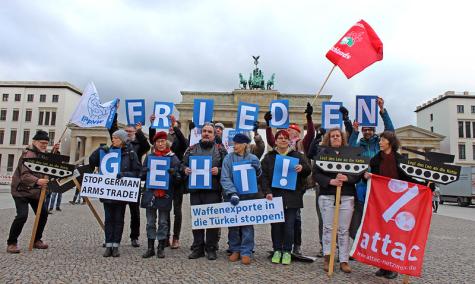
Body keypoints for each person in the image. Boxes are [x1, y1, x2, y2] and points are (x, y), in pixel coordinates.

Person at [364, 131, 420, 279]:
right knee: (382, 232)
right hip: (381, 201)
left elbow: (408, 179)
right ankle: (383, 265)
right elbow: (373, 180)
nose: (380, 142)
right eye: (380, 140)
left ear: (390, 142)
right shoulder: (375, 160)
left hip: (397, 202)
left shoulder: (400, 160)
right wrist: (366, 177)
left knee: (394, 234)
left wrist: (425, 186)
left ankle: (392, 267)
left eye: (382, 140)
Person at [264, 103, 315, 256]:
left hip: (295, 189)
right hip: (278, 190)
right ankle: (278, 248)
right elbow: (272, 140)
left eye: (293, 131)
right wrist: (268, 125)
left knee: (293, 221)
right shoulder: (272, 154)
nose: (290, 133)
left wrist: (309, 118)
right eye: (288, 131)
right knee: (278, 224)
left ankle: (293, 247)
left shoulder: (300, 146)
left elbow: (311, 135)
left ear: (297, 133)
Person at [313, 127, 360, 273]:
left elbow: (358, 172)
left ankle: (344, 260)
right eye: (332, 136)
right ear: (329, 138)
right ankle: (328, 257)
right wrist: (330, 181)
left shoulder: (350, 154)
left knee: (343, 230)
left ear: (342, 138)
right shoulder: (322, 154)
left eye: (338, 135)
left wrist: (348, 178)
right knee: (328, 228)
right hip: (328, 195)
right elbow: (316, 174)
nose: (335, 138)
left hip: (346, 195)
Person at [261, 130, 311, 265]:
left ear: (289, 141)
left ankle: (287, 251)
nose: (282, 140)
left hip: (292, 197)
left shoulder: (297, 155)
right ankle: (277, 249)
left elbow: (308, 169)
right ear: (275, 141)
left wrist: (302, 168)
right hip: (275, 196)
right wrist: (267, 192)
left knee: (289, 226)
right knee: (276, 226)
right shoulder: (268, 157)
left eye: (285, 138)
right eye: (280, 138)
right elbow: (264, 177)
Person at [89, 129, 141, 257]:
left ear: (123, 140)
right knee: (109, 219)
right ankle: (108, 244)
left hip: (120, 193)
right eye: (112, 137)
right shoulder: (107, 151)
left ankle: (116, 245)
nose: (113, 140)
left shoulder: (131, 153)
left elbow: (137, 172)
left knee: (118, 219)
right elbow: (92, 161)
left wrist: (123, 175)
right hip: (108, 192)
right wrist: (99, 150)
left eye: (116, 138)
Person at [348, 97, 394, 241]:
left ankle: (377, 242)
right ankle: (357, 243)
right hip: (362, 184)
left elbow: (390, 132)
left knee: (379, 214)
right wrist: (354, 132)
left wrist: (382, 110)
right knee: (360, 214)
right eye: (365, 129)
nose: (367, 131)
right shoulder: (358, 145)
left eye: (370, 129)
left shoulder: (380, 143)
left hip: (379, 184)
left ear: (374, 130)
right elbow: (349, 152)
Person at [7, 130, 55, 253]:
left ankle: (36, 240)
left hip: (35, 192)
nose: (44, 145)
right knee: (22, 215)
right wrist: (38, 181)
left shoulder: (41, 154)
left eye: (46, 143)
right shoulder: (28, 154)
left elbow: (49, 166)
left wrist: (54, 153)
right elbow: (24, 176)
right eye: (42, 142)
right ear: (34, 142)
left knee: (43, 214)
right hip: (21, 191)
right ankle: (11, 243)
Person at [184, 122, 227, 260]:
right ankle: (198, 248)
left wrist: (219, 170)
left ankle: (211, 248)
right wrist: (185, 169)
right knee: (197, 220)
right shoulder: (191, 149)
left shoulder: (221, 150)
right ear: (201, 133)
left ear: (214, 135)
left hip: (213, 190)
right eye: (204, 131)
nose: (206, 133)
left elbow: (228, 168)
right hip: (196, 190)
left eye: (209, 131)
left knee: (212, 221)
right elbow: (182, 164)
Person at [109, 112, 150, 248]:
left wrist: (139, 132)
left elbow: (147, 146)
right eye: (126, 131)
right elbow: (113, 131)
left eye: (130, 131)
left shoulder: (139, 145)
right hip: (118, 181)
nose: (128, 133)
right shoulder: (118, 144)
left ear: (134, 132)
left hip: (132, 181)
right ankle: (114, 238)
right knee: (118, 212)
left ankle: (135, 236)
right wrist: (114, 114)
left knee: (134, 212)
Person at [220, 133, 262, 265]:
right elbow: (225, 177)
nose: (235, 146)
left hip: (248, 197)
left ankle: (246, 251)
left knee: (247, 225)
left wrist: (258, 169)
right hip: (233, 197)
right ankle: (235, 249)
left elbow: (258, 178)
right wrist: (232, 192)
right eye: (234, 143)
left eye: (238, 143)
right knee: (233, 225)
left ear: (245, 145)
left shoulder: (253, 158)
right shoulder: (228, 158)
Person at [149, 114, 189, 249]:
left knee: (177, 210)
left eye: (174, 126)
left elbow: (184, 143)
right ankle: (165, 236)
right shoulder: (164, 140)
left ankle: (175, 237)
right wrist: (152, 125)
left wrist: (176, 127)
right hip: (163, 180)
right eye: (170, 126)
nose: (171, 128)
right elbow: (152, 140)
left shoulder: (181, 140)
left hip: (176, 179)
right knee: (165, 209)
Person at [141, 131, 182, 258]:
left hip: (165, 194)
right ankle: (150, 247)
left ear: (166, 142)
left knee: (163, 222)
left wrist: (174, 173)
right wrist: (145, 171)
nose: (160, 144)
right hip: (151, 194)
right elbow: (142, 175)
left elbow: (179, 178)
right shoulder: (149, 157)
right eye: (158, 142)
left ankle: (161, 247)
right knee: (150, 222)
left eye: (162, 141)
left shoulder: (173, 158)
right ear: (155, 144)